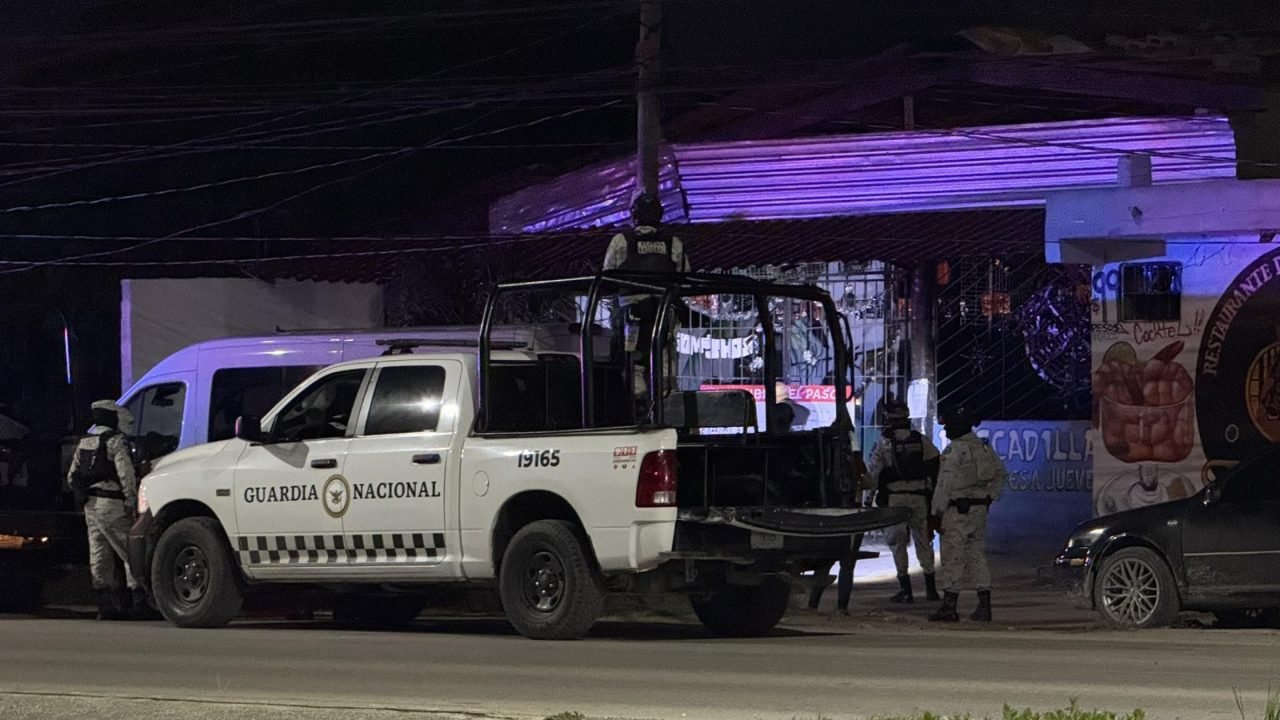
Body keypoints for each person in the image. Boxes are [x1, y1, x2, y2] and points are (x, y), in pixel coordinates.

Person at [603, 193, 692, 410]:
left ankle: (639, 409)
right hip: (664, 312)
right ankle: (666, 407)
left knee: (634, 364)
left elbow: (607, 275)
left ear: (634, 216)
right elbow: (686, 277)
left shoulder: (621, 240)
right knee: (665, 363)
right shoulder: (674, 243)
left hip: (632, 314)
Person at [928, 405, 1007, 622]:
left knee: (953, 555)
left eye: (950, 426)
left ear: (958, 426)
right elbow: (1001, 474)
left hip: (956, 510)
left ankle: (949, 607)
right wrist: (989, 498)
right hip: (978, 510)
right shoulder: (983, 448)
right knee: (976, 556)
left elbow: (944, 485)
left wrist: (935, 514)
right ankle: (984, 606)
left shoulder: (955, 451)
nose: (946, 431)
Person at [68, 400, 144, 620]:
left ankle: (107, 606)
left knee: (99, 553)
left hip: (90, 505)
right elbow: (126, 474)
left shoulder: (85, 442)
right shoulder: (115, 441)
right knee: (129, 551)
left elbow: (72, 476)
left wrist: (82, 497)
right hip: (112, 504)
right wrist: (132, 502)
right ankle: (140, 603)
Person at [867, 400, 940, 604]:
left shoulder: (884, 442)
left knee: (897, 543)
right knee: (923, 543)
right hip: (918, 498)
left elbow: (874, 473)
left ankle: (906, 591)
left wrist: (867, 500)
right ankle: (931, 590)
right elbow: (935, 466)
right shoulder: (920, 440)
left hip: (895, 499)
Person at [805, 450, 871, 614]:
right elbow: (868, 483)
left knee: (824, 563)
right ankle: (841, 607)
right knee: (847, 564)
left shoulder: (824, 462)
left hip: (830, 518)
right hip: (851, 517)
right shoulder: (855, 463)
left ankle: (813, 605)